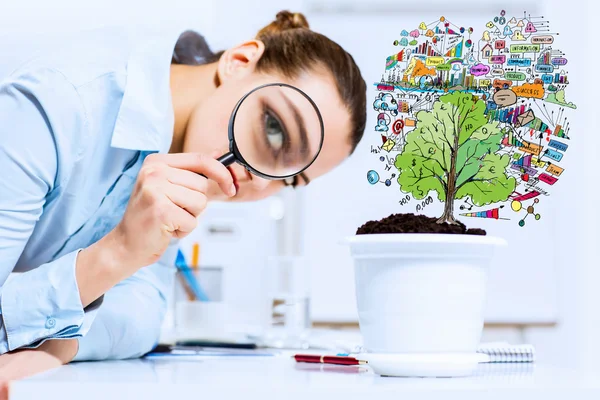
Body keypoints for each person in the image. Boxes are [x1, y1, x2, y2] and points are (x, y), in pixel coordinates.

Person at [0, 10, 366, 383]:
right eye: (274, 130)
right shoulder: (60, 103)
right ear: (239, 62)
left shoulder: (182, 158)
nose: (258, 180)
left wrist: (59, 347)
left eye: (288, 179)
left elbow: (144, 309)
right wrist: (117, 253)